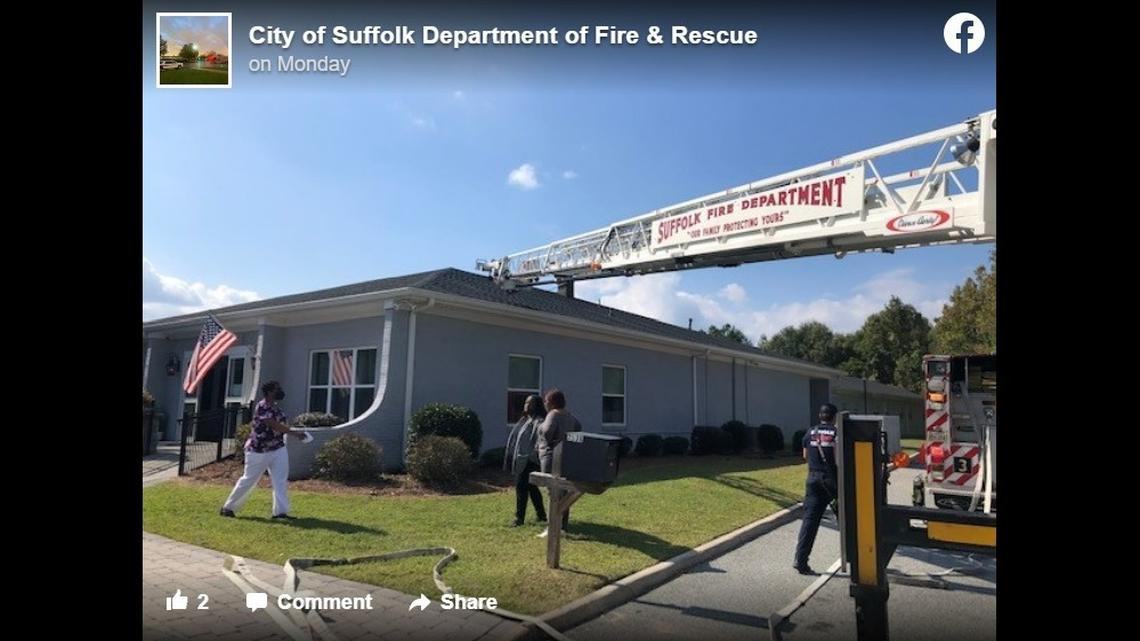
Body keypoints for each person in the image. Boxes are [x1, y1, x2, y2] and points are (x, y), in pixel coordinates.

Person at [219, 380, 309, 519]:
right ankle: (228, 508)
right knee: (249, 479)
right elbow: (273, 425)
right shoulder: (262, 406)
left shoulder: (276, 408)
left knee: (280, 480)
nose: (280, 391)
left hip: (278, 448)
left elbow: (280, 425)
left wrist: (294, 431)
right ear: (269, 392)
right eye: (277, 389)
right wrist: (295, 434)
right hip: (258, 450)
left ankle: (280, 512)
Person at [793, 403, 840, 575]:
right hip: (832, 481)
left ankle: (800, 560)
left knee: (810, 521)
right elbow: (838, 460)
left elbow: (805, 456)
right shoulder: (836, 434)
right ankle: (855, 557)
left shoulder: (810, 432)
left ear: (820, 416)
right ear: (834, 417)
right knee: (846, 519)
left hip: (813, 479)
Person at [537, 388, 581, 531]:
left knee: (553, 493)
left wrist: (541, 429)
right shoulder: (570, 416)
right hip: (566, 458)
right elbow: (578, 428)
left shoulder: (553, 414)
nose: (544, 404)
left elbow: (547, 432)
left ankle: (553, 526)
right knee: (564, 492)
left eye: (546, 401)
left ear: (551, 402)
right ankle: (563, 525)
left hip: (551, 458)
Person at [503, 395, 547, 527]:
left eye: (529, 403)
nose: (526, 405)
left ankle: (519, 518)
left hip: (530, 461)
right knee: (532, 488)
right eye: (526, 402)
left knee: (521, 488)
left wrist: (532, 456)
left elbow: (540, 441)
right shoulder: (526, 420)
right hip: (522, 459)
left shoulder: (539, 421)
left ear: (537, 405)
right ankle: (541, 515)